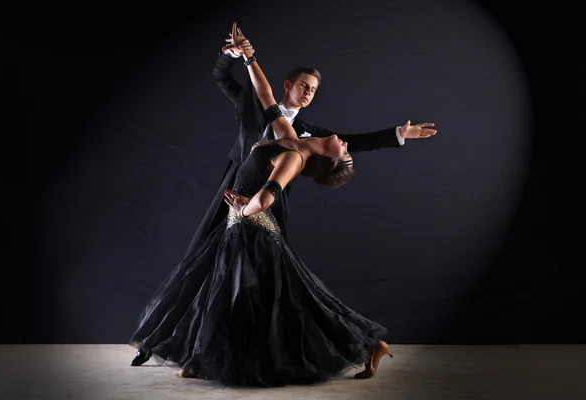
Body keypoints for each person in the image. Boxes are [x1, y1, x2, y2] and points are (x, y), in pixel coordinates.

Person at [129, 22, 436, 368]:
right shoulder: (288, 130)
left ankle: (333, 345)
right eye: (305, 86)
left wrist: (398, 134)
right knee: (206, 267)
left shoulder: (300, 148)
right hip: (233, 193)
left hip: (258, 211)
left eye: (314, 90)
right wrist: (246, 56)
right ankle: (179, 347)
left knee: (269, 287)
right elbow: (261, 94)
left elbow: (344, 146)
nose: (309, 93)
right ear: (290, 85)